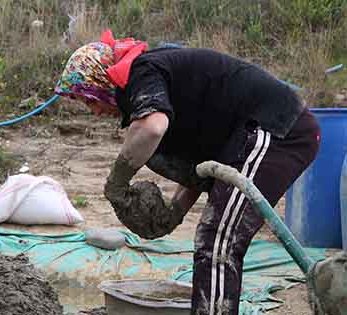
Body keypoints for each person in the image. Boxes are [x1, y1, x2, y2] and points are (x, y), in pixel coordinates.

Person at [55, 30, 320, 315]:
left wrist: (116, 182)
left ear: (102, 82)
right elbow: (202, 167)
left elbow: (151, 127)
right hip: (248, 137)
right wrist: (175, 212)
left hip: (276, 129)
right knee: (214, 236)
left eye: (90, 100)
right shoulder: (161, 89)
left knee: (219, 241)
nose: (93, 111)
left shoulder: (142, 72)